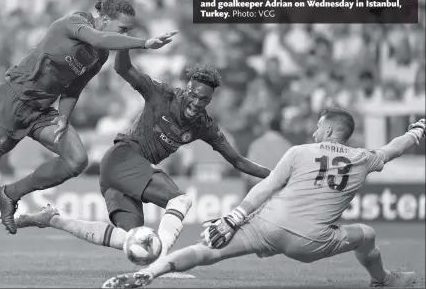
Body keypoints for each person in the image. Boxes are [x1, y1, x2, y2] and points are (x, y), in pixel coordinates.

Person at [0, 0, 178, 277]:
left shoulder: (99, 56)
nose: (126, 34)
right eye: (123, 29)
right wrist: (144, 44)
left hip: (41, 110)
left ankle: (9, 193)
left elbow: (74, 87)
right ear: (104, 19)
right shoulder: (73, 23)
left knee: (77, 159)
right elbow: (101, 39)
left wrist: (64, 116)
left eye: (129, 31)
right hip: (11, 101)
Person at [14, 50, 272, 276]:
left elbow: (237, 160)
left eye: (203, 99)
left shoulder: (204, 126)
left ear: (209, 100)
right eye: (193, 94)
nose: (196, 102)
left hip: (123, 174)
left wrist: (275, 176)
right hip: (123, 158)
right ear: (187, 87)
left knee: (132, 241)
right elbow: (122, 68)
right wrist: (125, 43)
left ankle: (52, 219)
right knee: (181, 200)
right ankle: (163, 261)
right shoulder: (162, 94)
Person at [101, 110, 424, 288]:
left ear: (328, 132)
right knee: (366, 234)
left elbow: (267, 187)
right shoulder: (363, 158)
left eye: (317, 128)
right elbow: (393, 149)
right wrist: (417, 131)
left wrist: (232, 218)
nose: (313, 133)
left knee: (204, 252)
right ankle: (382, 281)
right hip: (309, 241)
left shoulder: (299, 151)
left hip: (267, 225)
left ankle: (149, 273)